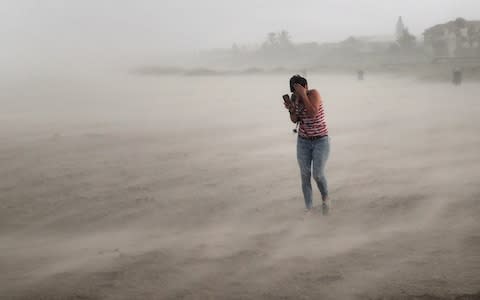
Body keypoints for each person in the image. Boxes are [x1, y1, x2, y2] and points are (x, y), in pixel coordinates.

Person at [284, 75, 331, 215]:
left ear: (306, 87)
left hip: (321, 140)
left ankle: (325, 197)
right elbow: (294, 120)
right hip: (303, 141)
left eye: (299, 89)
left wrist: (303, 95)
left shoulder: (314, 94)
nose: (296, 94)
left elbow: (312, 112)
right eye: (294, 91)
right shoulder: (294, 98)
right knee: (305, 174)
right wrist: (291, 108)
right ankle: (309, 208)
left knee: (317, 174)